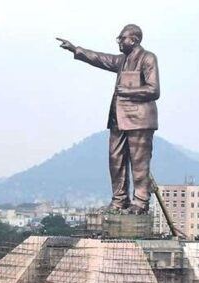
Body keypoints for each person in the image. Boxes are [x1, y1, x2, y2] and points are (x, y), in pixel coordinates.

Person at [57, 24, 160, 214]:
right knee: (116, 160)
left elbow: (154, 90)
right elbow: (99, 59)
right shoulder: (122, 61)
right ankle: (119, 199)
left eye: (122, 38)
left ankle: (140, 201)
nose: (119, 42)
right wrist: (75, 49)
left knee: (139, 162)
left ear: (134, 40)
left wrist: (128, 91)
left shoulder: (147, 58)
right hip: (118, 120)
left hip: (139, 119)